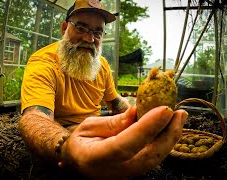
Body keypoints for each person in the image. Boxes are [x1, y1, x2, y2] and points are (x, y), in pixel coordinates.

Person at [18, 0, 188, 179]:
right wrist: (65, 146)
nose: (89, 39)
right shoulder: (44, 62)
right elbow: (35, 118)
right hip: (63, 131)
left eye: (97, 32)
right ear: (64, 29)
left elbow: (115, 103)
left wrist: (142, 119)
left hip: (97, 128)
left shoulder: (101, 65)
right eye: (81, 28)